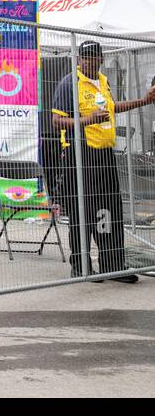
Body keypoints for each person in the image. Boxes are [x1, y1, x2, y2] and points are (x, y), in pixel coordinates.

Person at [50, 39, 155, 283]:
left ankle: (112, 265)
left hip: (104, 154)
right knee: (82, 211)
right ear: (79, 59)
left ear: (100, 59)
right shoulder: (70, 83)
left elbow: (112, 108)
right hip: (80, 155)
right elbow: (57, 122)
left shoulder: (103, 82)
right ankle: (82, 266)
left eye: (92, 57)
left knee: (109, 210)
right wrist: (88, 120)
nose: (87, 61)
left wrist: (145, 101)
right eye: (83, 57)